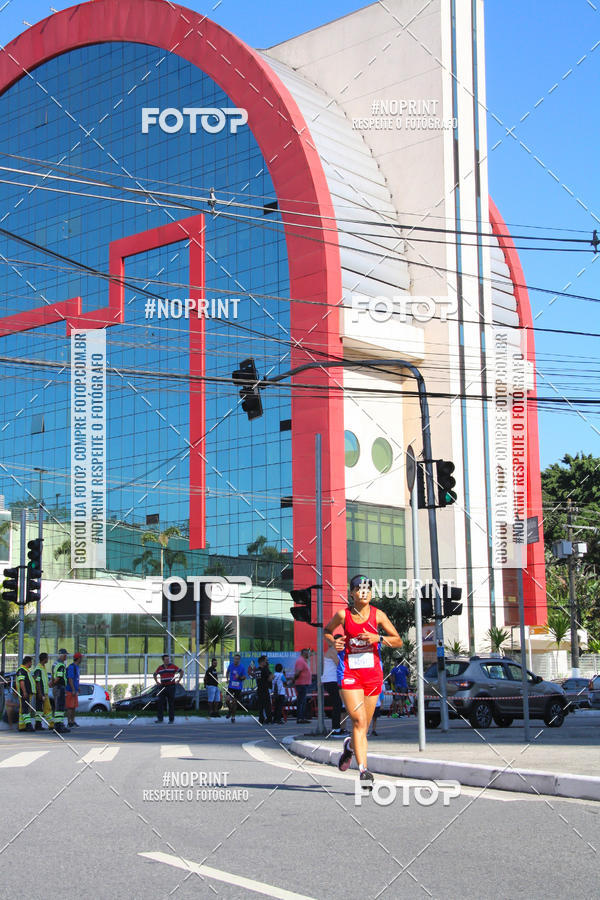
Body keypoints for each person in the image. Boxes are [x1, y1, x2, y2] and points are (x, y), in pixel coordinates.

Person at [325, 574, 403, 790]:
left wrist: (380, 638)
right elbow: (327, 631)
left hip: (372, 675)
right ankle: (363, 771)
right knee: (358, 721)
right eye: (360, 588)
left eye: (368, 588)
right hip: (350, 673)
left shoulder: (378, 615)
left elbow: (398, 641)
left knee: (364, 727)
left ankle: (349, 746)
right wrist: (335, 641)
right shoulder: (343, 615)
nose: (364, 592)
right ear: (352, 593)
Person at [322, 641, 345, 736]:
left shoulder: (334, 651)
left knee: (339, 704)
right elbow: (339, 664)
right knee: (337, 704)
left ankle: (339, 728)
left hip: (334, 681)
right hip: (330, 681)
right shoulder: (332, 651)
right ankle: (335, 729)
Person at [153, 654, 183, 724]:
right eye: (166, 659)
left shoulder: (172, 666)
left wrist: (179, 680)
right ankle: (160, 719)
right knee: (160, 703)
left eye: (168, 659)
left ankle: (171, 719)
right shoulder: (160, 668)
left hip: (171, 686)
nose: (167, 661)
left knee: (171, 704)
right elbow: (155, 674)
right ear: (163, 660)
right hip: (162, 686)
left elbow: (181, 671)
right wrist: (157, 681)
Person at [290, 648, 312, 724]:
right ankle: (300, 718)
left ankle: (302, 717)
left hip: (303, 684)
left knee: (303, 701)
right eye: (307, 653)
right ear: (303, 653)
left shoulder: (303, 661)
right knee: (301, 702)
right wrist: (294, 680)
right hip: (301, 684)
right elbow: (297, 672)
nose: (308, 655)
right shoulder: (300, 661)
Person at [33, 652, 52, 730]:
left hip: (44, 692)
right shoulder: (38, 669)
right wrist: (40, 693)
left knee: (42, 709)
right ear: (44, 659)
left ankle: (40, 724)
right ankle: (49, 724)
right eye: (47, 658)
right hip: (41, 692)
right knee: (43, 709)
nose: (48, 659)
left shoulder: (42, 667)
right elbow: (37, 682)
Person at [51, 649, 69, 733]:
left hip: (56, 688)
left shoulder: (55, 664)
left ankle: (58, 724)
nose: (66, 656)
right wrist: (53, 683)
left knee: (58, 706)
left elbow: (53, 675)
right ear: (62, 655)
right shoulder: (61, 665)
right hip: (59, 687)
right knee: (60, 707)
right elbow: (58, 677)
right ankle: (59, 726)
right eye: (65, 655)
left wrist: (51, 683)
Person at [16, 656, 36, 731]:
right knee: (25, 709)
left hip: (27, 693)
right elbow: (22, 682)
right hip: (25, 693)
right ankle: (28, 725)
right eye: (31, 662)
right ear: (28, 662)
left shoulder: (26, 670)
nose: (31, 664)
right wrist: (24, 692)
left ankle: (22, 726)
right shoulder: (21, 670)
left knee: (24, 709)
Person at [225, 654, 246, 723]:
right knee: (227, 700)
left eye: (237, 659)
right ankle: (230, 710)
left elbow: (244, 677)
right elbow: (227, 672)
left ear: (239, 660)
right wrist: (227, 679)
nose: (236, 660)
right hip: (231, 686)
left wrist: (239, 677)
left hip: (238, 687)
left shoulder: (242, 667)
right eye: (235, 659)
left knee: (234, 702)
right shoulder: (231, 665)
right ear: (233, 659)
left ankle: (233, 717)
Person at [66, 652, 83, 727]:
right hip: (70, 690)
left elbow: (76, 679)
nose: (81, 659)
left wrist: (77, 687)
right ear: (78, 658)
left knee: (74, 707)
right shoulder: (71, 667)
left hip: (74, 690)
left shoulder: (77, 667)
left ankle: (73, 721)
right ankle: (69, 722)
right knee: (70, 707)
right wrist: (73, 689)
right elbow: (70, 679)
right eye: (81, 658)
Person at [255, 655, 273, 724]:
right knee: (267, 705)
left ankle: (261, 719)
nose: (267, 662)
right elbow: (269, 678)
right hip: (265, 689)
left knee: (261, 706)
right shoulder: (264, 669)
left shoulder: (257, 670)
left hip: (259, 689)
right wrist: (271, 675)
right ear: (262, 662)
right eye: (266, 661)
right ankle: (269, 719)